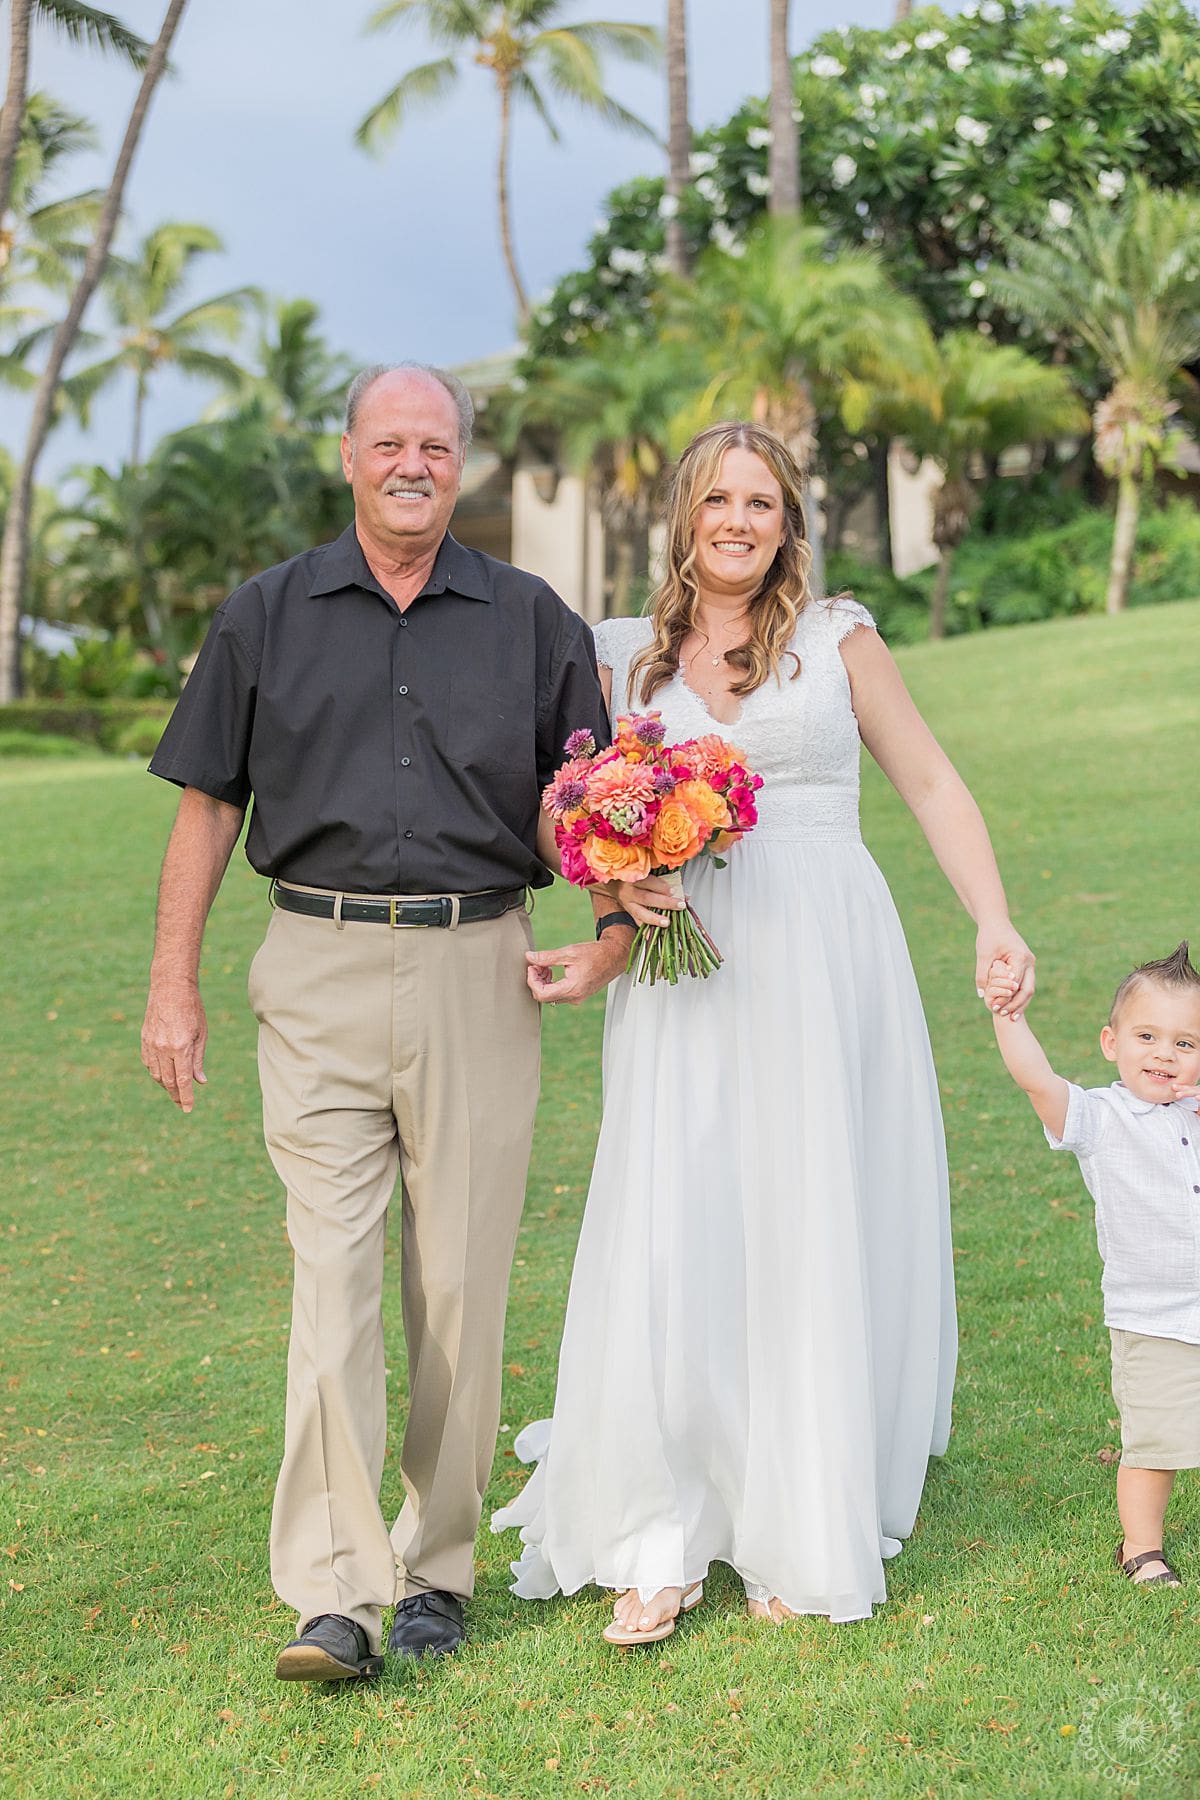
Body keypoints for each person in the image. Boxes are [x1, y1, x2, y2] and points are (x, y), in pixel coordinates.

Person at [494, 420, 1035, 1644]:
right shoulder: (621, 656)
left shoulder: (840, 639)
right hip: (686, 968)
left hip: (825, 954)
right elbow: (568, 812)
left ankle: (797, 1508)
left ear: (790, 522)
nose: (738, 521)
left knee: (804, 1208)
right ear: (683, 516)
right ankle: (662, 1522)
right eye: (718, 500)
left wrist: (993, 918)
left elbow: (932, 782)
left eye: (762, 502)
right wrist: (617, 891)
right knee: (679, 1208)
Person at [140, 363, 631, 1680]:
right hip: (315, 970)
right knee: (333, 1278)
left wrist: (618, 911)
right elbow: (207, 804)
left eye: (436, 444)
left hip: (481, 967)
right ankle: (337, 1592)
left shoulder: (532, 621)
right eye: (390, 442)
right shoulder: (265, 614)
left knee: (459, 1286)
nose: (413, 463)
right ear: (349, 455)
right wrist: (172, 984)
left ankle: (439, 1568)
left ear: (463, 462)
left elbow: (582, 801)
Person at [984, 942, 1200, 1588]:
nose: (1165, 1054)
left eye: (1185, 1043)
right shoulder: (1101, 1118)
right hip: (1153, 1317)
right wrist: (1008, 1016)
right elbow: (1037, 1080)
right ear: (1111, 1042)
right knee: (1154, 1442)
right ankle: (1141, 1547)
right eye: (1147, 1036)